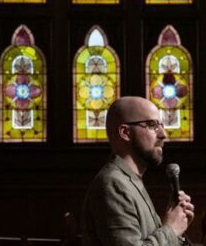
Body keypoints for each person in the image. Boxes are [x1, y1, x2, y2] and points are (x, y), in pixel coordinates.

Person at [81, 96, 195, 246]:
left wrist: (178, 231)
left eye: (162, 125)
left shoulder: (130, 180)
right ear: (125, 132)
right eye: (152, 125)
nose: (163, 134)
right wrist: (171, 229)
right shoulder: (113, 184)